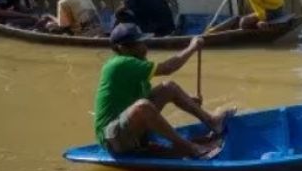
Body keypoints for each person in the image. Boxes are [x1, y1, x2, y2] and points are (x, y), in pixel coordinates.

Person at [93, 23, 230, 159]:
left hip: (130, 129)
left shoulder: (137, 64)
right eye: (139, 44)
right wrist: (192, 47)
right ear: (122, 48)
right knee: (143, 107)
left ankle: (212, 121)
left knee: (167, 87)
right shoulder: (120, 63)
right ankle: (189, 147)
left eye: (143, 43)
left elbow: (147, 97)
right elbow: (168, 68)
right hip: (112, 139)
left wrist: (188, 100)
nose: (144, 48)